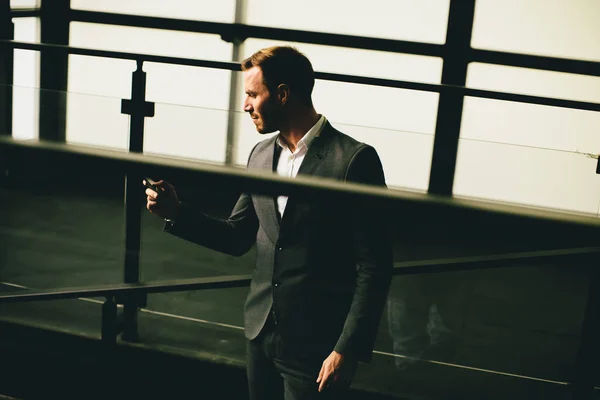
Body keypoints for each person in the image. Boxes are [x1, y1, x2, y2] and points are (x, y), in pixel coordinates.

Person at [144, 46, 393, 399]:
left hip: (317, 349)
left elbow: (375, 266)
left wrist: (346, 349)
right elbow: (236, 237)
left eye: (251, 94)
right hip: (260, 336)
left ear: (283, 94)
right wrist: (176, 213)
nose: (245, 105)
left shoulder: (354, 161)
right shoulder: (260, 155)